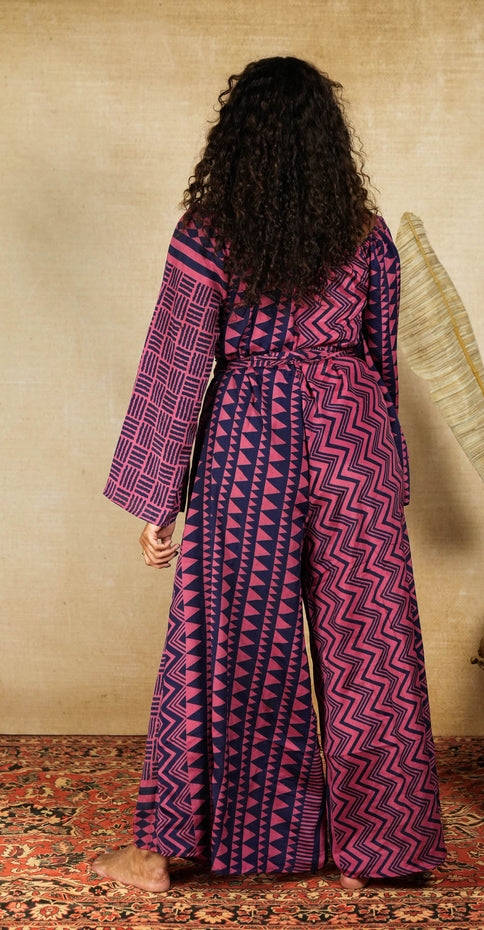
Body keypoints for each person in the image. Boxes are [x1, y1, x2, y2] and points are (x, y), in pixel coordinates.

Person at [94, 56, 446, 893]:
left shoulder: (208, 234)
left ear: (235, 139)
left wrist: (158, 499)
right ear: (330, 142)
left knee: (228, 641)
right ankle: (381, 855)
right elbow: (380, 357)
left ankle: (181, 850)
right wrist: (386, 469)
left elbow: (178, 365)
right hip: (351, 430)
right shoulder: (366, 234)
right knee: (372, 646)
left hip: (250, 437)